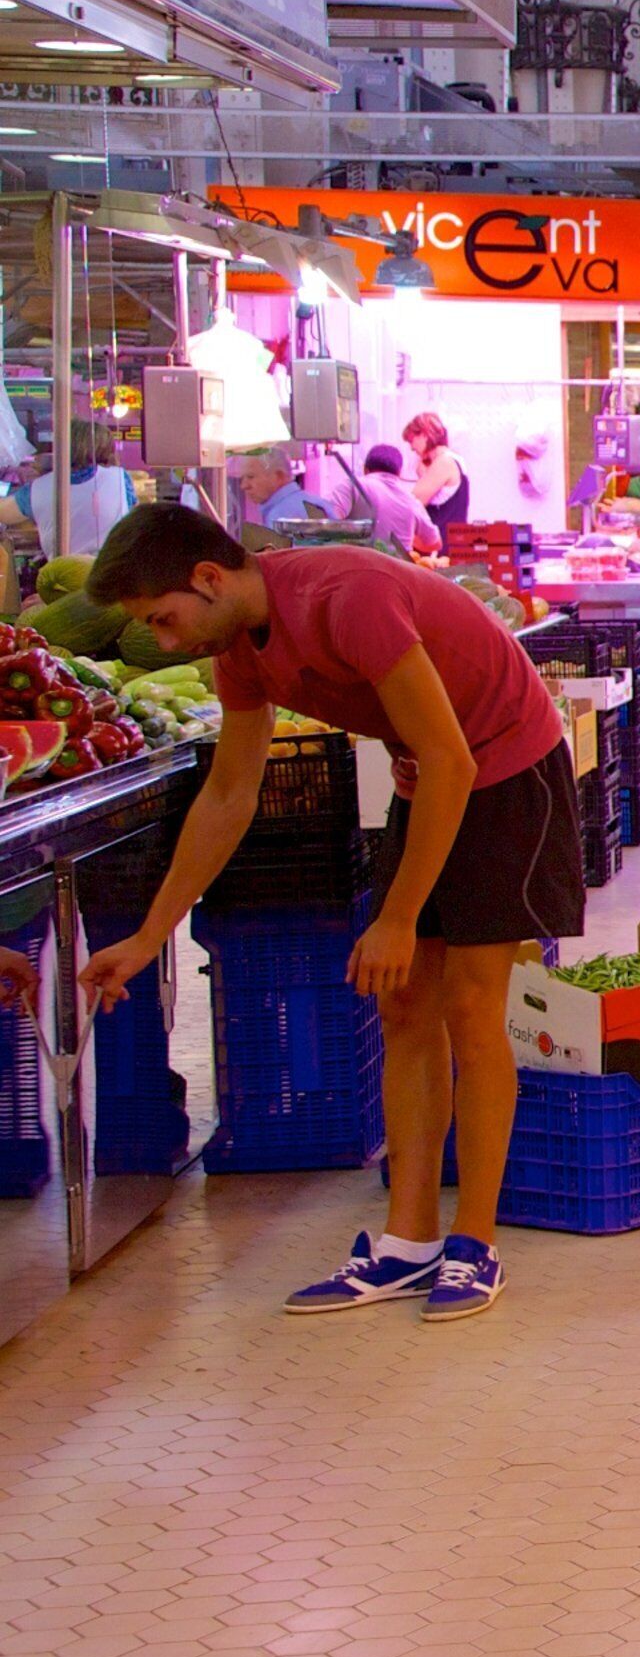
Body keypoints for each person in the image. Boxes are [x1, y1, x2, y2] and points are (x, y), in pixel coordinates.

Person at [81, 502, 583, 1321]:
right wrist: (147, 935)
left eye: (164, 620)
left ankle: (476, 1244)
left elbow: (454, 757)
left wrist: (397, 915)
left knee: (468, 1005)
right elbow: (230, 794)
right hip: (437, 771)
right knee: (402, 1003)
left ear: (209, 578)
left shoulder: (343, 595)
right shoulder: (238, 649)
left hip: (506, 768)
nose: (165, 643)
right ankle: (408, 1244)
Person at [354, 444, 441, 557]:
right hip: (398, 569)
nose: (412, 448)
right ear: (399, 473)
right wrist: (406, 536)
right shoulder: (410, 500)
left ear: (365, 469)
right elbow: (434, 542)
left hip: (359, 565)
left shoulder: (354, 487)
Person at [402, 413, 471, 528]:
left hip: (443, 542)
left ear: (424, 435)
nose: (412, 448)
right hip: (453, 540)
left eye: (411, 440)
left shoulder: (443, 463)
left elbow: (412, 505)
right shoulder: (455, 460)